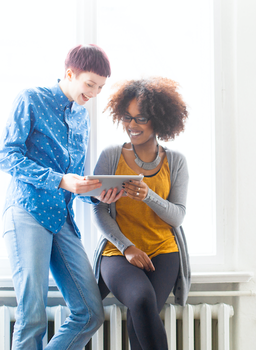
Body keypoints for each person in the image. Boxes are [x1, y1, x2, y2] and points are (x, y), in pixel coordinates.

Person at [0, 44, 122, 349]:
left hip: (61, 219)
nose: (93, 93)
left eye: (100, 87)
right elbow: (5, 156)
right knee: (33, 315)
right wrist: (58, 179)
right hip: (28, 210)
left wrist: (96, 195)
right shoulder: (32, 99)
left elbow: (75, 178)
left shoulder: (83, 118)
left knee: (90, 313)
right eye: (89, 84)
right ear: (70, 74)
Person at [92, 77, 191, 350]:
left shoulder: (176, 161)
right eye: (127, 117)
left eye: (141, 119)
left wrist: (148, 196)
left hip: (163, 250)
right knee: (142, 300)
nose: (132, 126)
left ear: (159, 121)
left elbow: (177, 217)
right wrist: (127, 247)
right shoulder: (112, 155)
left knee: (141, 319)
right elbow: (99, 210)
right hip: (119, 251)